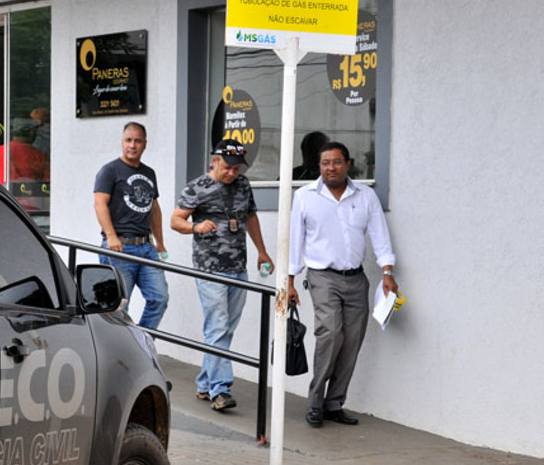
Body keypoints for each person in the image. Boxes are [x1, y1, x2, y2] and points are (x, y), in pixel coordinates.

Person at [287, 141, 398, 428]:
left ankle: (334, 403)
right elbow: (295, 241)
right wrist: (289, 281)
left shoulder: (365, 196)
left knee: (351, 341)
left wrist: (387, 272)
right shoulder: (305, 196)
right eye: (325, 163)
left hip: (356, 278)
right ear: (319, 166)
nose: (331, 168)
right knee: (330, 334)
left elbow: (380, 235)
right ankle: (315, 402)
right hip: (322, 277)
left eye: (336, 162)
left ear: (347, 164)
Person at [170, 139, 274, 412]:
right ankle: (221, 390)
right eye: (227, 167)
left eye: (236, 169)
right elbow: (175, 221)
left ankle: (205, 383)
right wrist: (196, 227)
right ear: (215, 161)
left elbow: (251, 217)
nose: (231, 174)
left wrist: (262, 251)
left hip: (238, 267)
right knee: (217, 326)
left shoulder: (243, 185)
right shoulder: (197, 187)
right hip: (209, 269)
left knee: (225, 329)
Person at [93, 122, 169, 329]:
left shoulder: (149, 173)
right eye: (128, 140)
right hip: (119, 248)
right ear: (122, 142)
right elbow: (100, 203)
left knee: (159, 299)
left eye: (137, 141)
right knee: (117, 307)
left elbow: (154, 208)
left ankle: (141, 342)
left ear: (145, 144)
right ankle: (118, 353)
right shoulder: (110, 170)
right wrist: (111, 236)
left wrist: (160, 242)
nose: (132, 145)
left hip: (146, 247)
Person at [0, 117, 49, 184]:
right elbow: (49, 186)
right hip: (33, 193)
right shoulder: (41, 156)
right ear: (32, 133)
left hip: (4, 194)